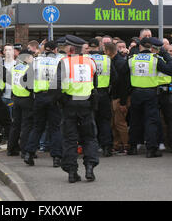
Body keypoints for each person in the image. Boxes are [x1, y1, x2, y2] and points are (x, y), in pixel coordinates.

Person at [126, 37, 172, 158]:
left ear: (140, 47)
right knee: (151, 121)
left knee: (135, 120)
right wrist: (168, 56)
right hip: (151, 94)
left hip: (136, 93)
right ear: (151, 47)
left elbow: (123, 73)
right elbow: (171, 70)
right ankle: (151, 149)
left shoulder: (132, 59)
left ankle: (133, 147)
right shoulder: (155, 59)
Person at [56, 35, 99, 183]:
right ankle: (89, 168)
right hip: (86, 104)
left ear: (71, 48)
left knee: (70, 139)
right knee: (89, 138)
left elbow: (58, 86)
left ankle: (72, 172)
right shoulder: (91, 62)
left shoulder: (64, 62)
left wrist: (62, 101)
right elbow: (95, 85)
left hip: (70, 105)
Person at [24, 41, 63, 168]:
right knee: (55, 128)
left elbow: (25, 79)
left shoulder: (36, 61)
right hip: (54, 98)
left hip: (39, 97)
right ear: (55, 50)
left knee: (37, 127)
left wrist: (34, 91)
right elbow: (63, 80)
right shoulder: (60, 61)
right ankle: (56, 158)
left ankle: (29, 154)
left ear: (45, 49)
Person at [85, 38, 118, 157]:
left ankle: (91, 147)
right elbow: (115, 77)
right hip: (103, 94)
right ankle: (107, 147)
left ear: (88, 47)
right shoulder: (106, 59)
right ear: (99, 46)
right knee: (104, 120)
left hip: (88, 93)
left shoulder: (85, 59)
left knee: (89, 120)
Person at [151, 40, 172, 153]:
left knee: (154, 119)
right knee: (171, 119)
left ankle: (156, 144)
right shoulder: (167, 61)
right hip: (164, 93)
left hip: (154, 92)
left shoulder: (152, 59)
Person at [7, 50, 35, 157]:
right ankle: (25, 151)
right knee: (26, 126)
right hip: (27, 99)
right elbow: (30, 85)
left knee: (15, 125)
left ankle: (11, 149)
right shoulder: (29, 68)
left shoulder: (15, 67)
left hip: (16, 98)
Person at [107, 42, 130, 154]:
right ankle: (117, 145)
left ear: (108, 51)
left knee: (120, 123)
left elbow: (123, 84)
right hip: (116, 96)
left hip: (119, 97)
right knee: (115, 123)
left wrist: (123, 102)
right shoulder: (117, 61)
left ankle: (125, 145)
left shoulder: (119, 63)